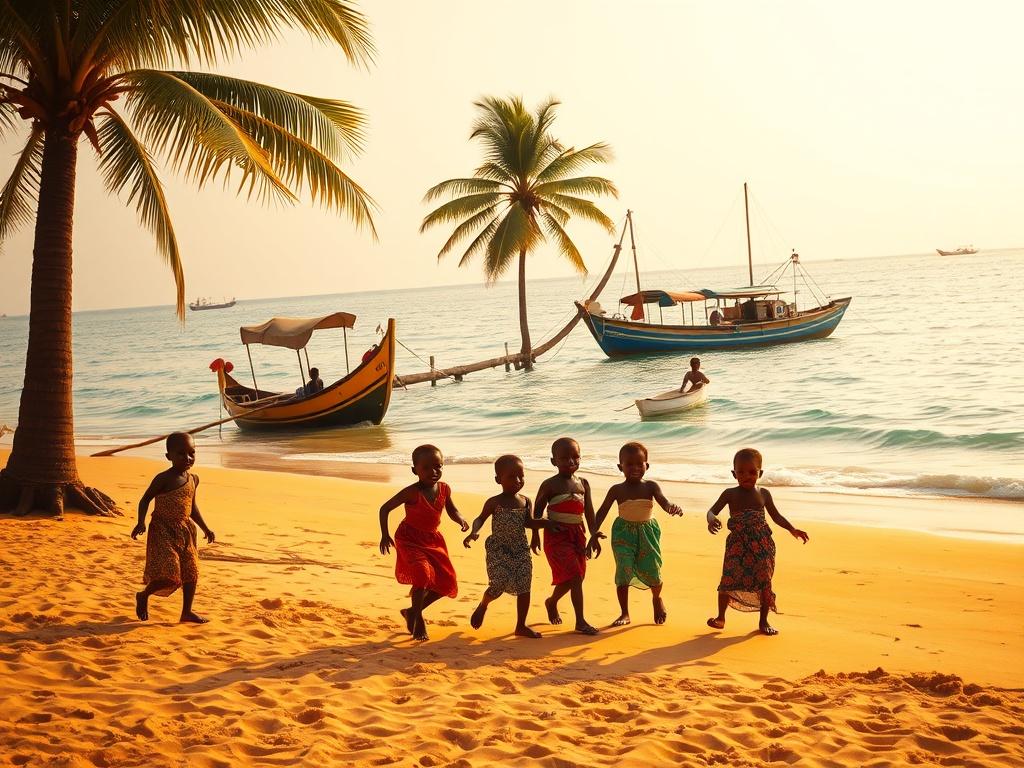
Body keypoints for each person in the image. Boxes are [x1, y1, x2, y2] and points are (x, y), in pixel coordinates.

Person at [706, 448, 809, 636]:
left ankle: (763, 621)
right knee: (728, 579)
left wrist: (792, 529)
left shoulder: (764, 494)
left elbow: (776, 516)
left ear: (760, 473)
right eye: (741, 472)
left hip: (762, 545)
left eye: (752, 472)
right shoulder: (729, 493)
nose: (747, 476)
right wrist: (711, 519)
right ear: (734, 473)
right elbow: (712, 511)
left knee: (764, 581)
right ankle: (721, 618)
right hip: (737, 544)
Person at [379, 444, 469, 641]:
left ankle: (412, 611)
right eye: (426, 468)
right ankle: (418, 619)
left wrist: (461, 519)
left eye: (438, 466)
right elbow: (385, 508)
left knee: (447, 582)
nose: (433, 472)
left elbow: (452, 510)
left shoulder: (444, 489)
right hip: (409, 539)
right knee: (422, 574)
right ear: (415, 470)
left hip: (432, 540)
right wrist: (385, 535)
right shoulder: (412, 492)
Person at [587, 442, 683, 626]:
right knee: (624, 570)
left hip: (648, 533)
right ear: (620, 466)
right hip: (623, 533)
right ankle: (624, 613)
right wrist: (593, 532)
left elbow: (664, 502)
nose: (635, 468)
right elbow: (602, 511)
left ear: (647, 465)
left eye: (640, 464)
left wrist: (673, 508)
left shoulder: (651, 487)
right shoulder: (616, 489)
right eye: (629, 464)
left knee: (653, 571)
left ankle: (656, 599)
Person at [463, 455, 554, 639]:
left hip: (520, 549)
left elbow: (529, 523)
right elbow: (480, 518)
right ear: (498, 480)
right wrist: (473, 532)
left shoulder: (526, 501)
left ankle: (521, 625)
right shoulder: (494, 502)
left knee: (524, 585)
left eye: (521, 476)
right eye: (512, 477)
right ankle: (484, 605)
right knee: (498, 583)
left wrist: (547, 523)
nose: (518, 481)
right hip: (499, 550)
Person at [131, 432, 216, 624]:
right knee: (171, 576)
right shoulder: (163, 478)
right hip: (163, 530)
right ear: (169, 456)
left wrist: (205, 528)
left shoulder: (193, 479)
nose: (187, 458)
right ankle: (144, 595)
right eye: (181, 454)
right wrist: (141, 521)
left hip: (186, 531)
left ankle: (187, 612)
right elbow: (145, 499)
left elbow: (192, 508)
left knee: (191, 572)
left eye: (192, 453)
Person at [531, 437, 600, 635]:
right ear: (554, 461)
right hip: (556, 535)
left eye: (575, 457)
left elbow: (589, 512)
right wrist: (535, 534)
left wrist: (594, 534)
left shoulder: (583, 483)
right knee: (575, 576)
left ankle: (551, 601)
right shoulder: (549, 484)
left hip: (578, 535)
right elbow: (537, 512)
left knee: (575, 577)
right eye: (564, 458)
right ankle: (580, 621)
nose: (571, 461)